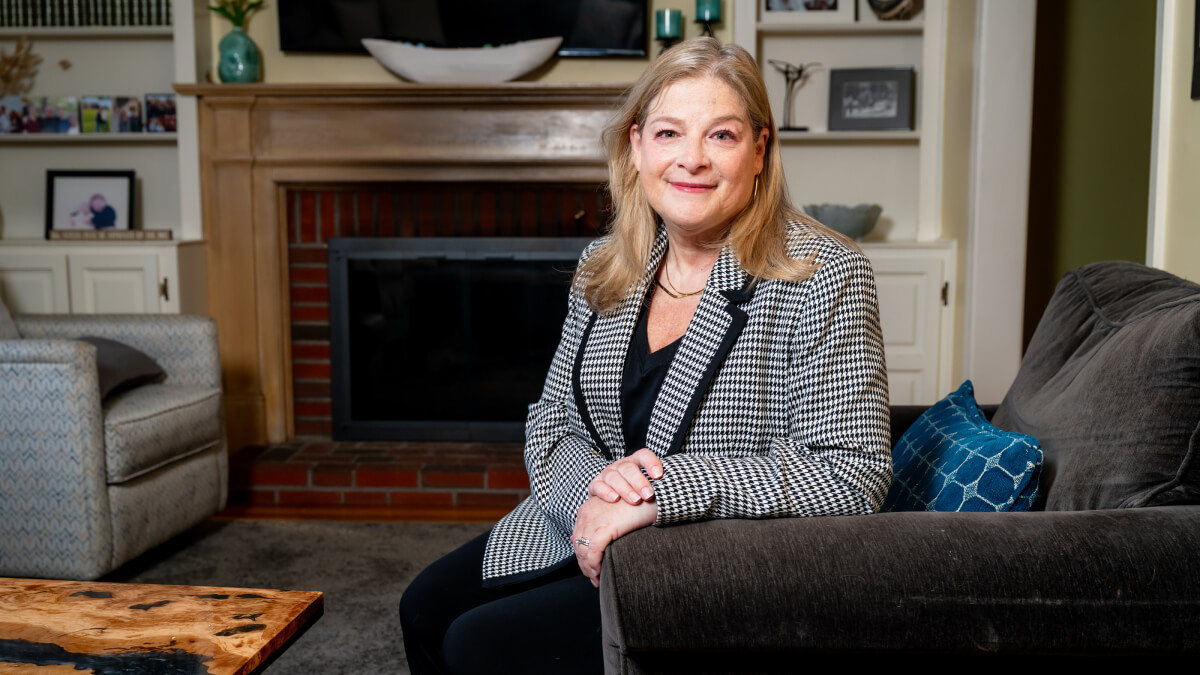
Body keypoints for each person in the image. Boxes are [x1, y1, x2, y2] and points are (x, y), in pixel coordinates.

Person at [399, 37, 891, 675]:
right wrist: (588, 499)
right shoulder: (607, 266)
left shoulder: (824, 273)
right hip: (581, 525)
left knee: (479, 646)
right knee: (423, 610)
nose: (691, 159)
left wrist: (660, 492)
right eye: (668, 134)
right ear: (636, 147)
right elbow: (553, 421)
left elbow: (852, 474)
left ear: (760, 150)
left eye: (721, 136)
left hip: (708, 556)